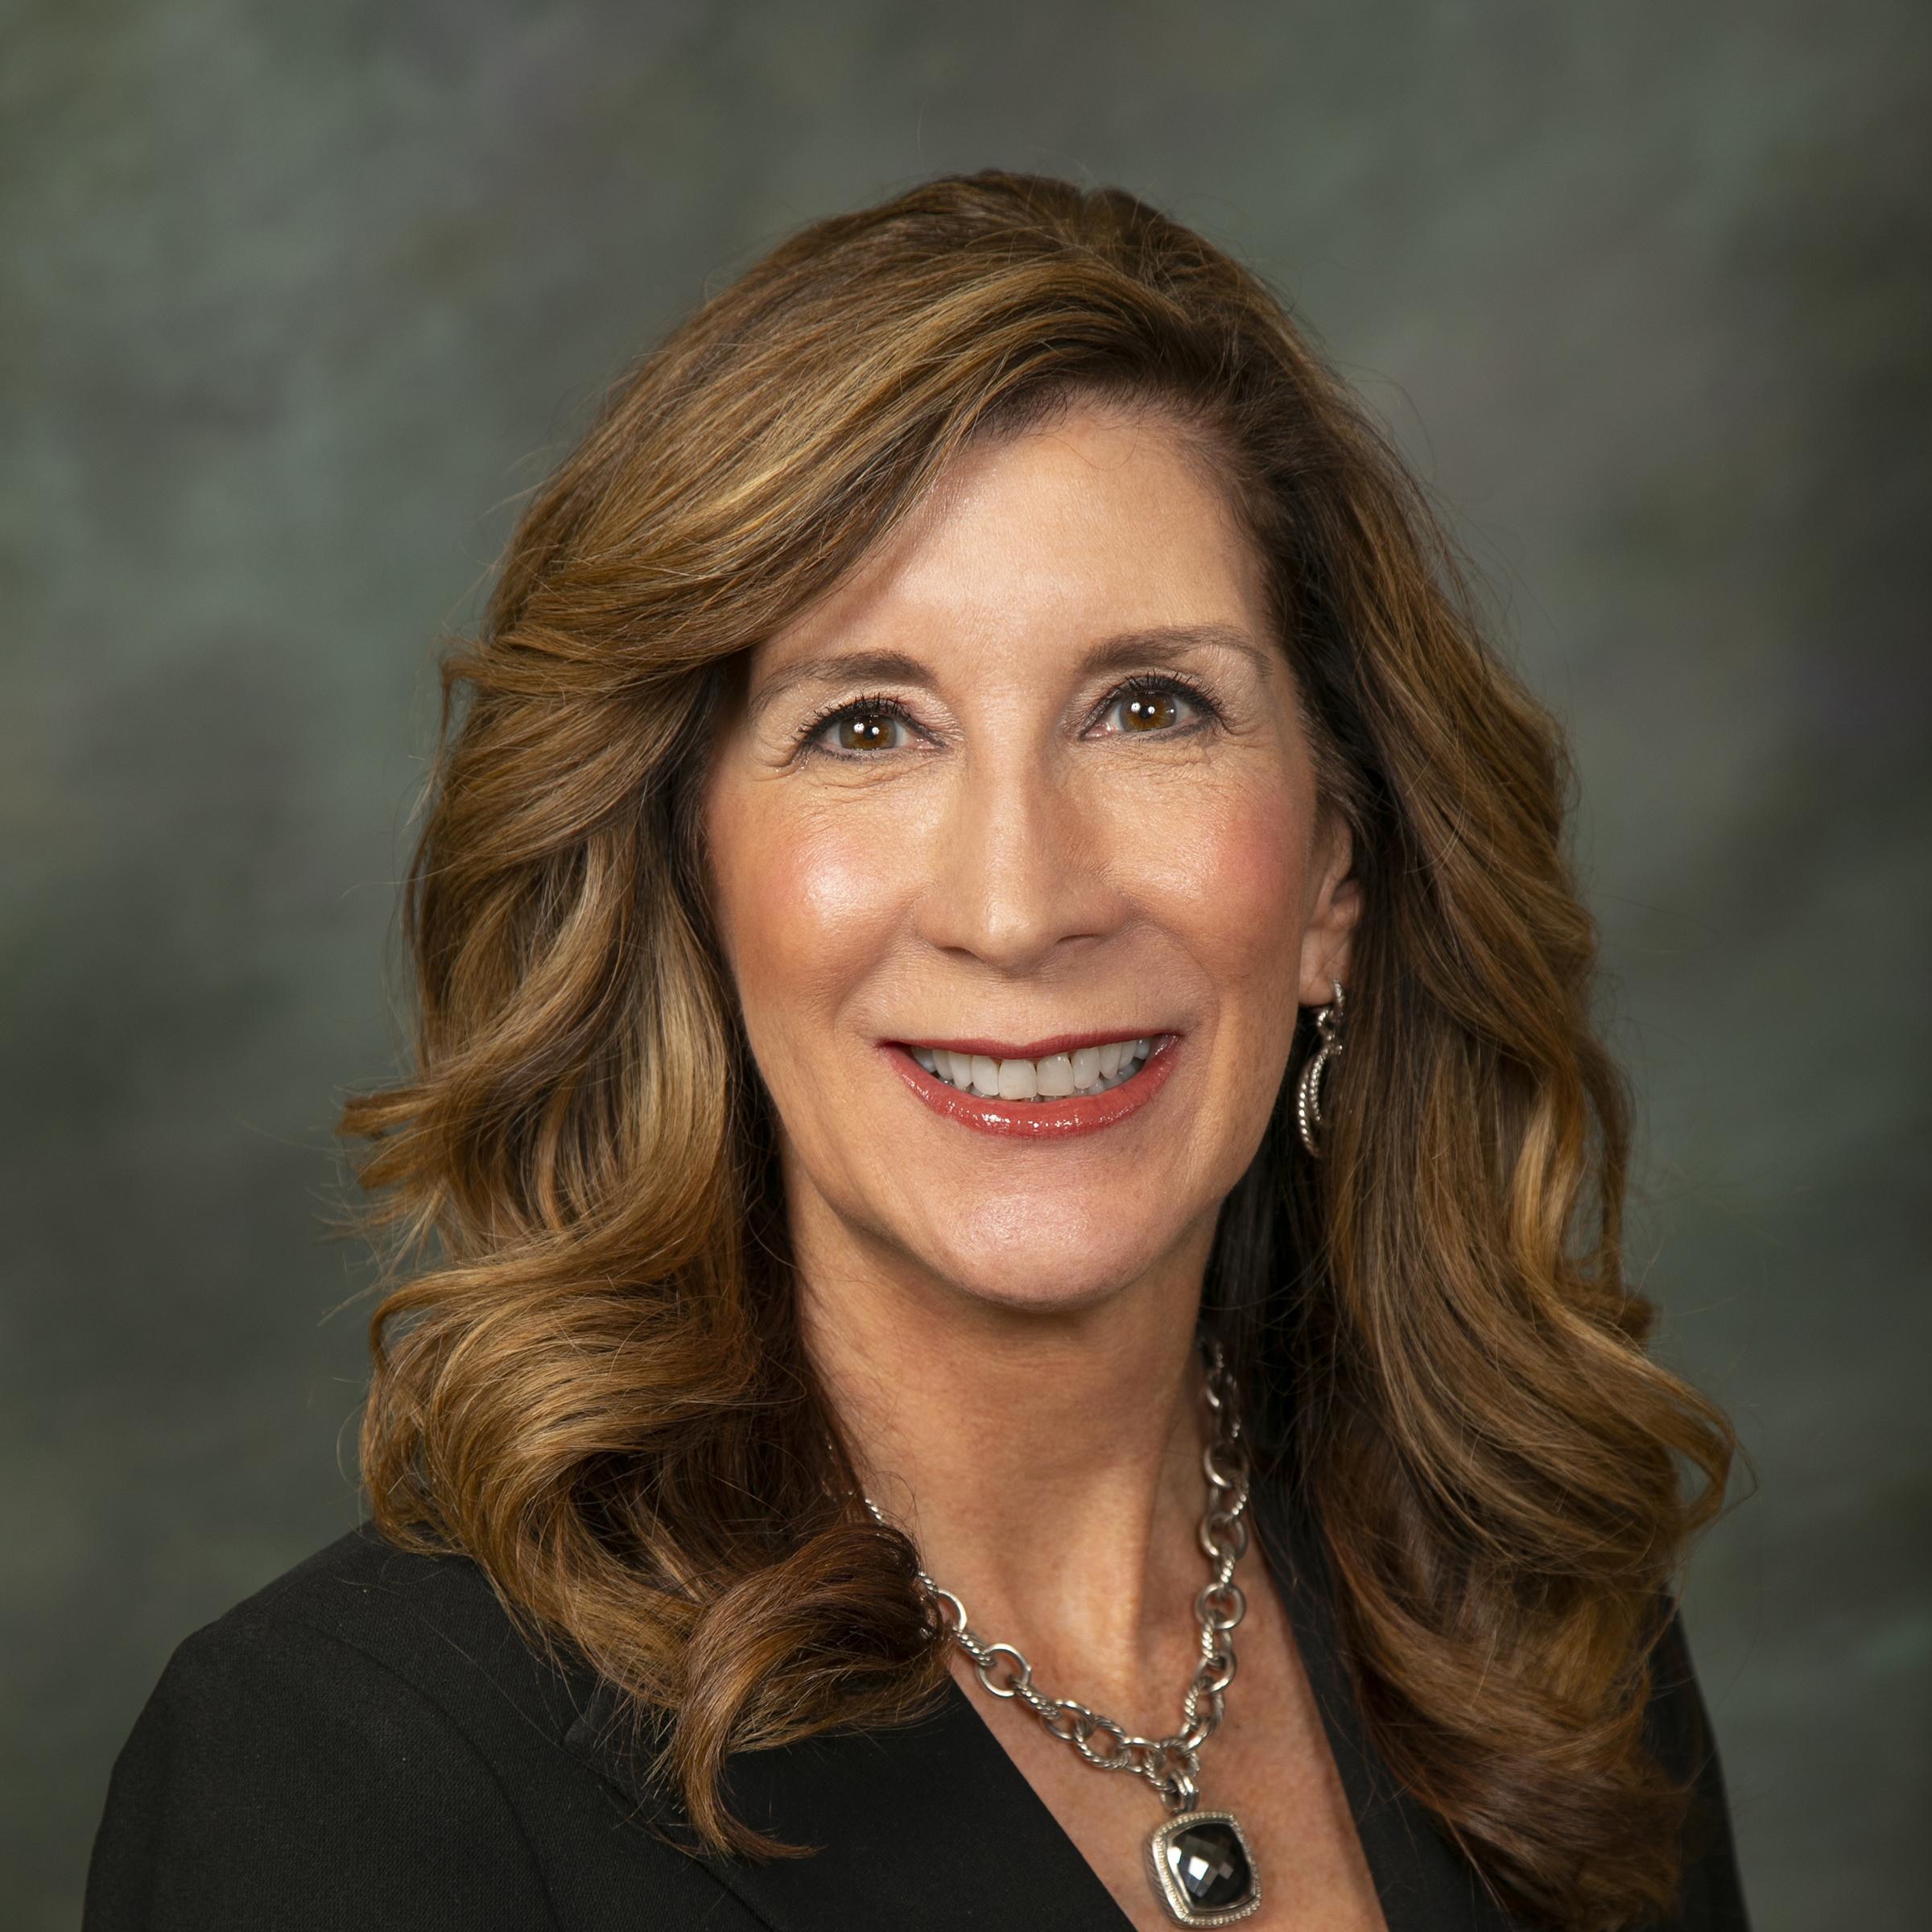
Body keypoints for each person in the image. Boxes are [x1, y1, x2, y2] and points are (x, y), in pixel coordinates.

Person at [85, 170, 1749, 1931]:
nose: (1019, 907)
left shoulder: (1536, 1629)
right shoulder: (350, 1775)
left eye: (1151, 708)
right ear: (689, 876)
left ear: (1335, 874)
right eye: (868, 727)